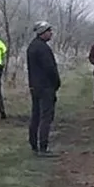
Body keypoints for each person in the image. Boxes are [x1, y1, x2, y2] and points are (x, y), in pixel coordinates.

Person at [27, 21, 61, 156]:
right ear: (42, 32)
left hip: (34, 86)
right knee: (46, 117)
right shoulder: (43, 49)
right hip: (46, 86)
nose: (51, 33)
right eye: (49, 31)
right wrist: (56, 83)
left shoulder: (32, 46)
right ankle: (43, 147)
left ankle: (34, 144)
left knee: (35, 115)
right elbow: (50, 69)